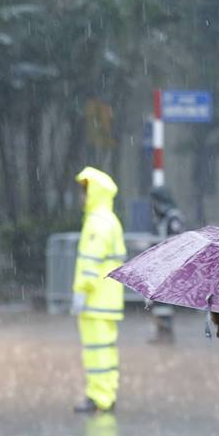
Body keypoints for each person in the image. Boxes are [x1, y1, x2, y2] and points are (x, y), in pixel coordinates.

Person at [71, 166, 127, 414]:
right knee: (104, 352)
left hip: (96, 301)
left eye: (84, 191)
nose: (81, 197)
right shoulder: (108, 219)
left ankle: (99, 398)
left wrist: (81, 292)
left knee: (97, 353)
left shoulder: (97, 222)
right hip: (106, 301)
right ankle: (105, 394)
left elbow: (90, 262)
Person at [147, 186, 185, 344]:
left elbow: (174, 242)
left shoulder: (173, 218)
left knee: (165, 303)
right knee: (158, 302)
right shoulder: (163, 218)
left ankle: (166, 335)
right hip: (160, 266)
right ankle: (161, 333)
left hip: (169, 267)